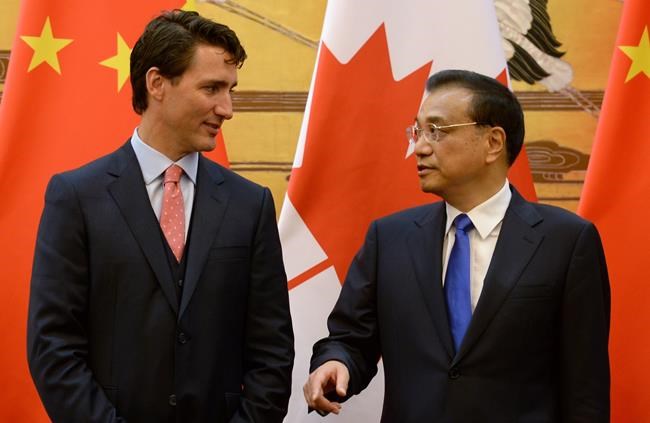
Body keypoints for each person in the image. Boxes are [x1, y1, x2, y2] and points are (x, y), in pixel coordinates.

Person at [27, 10, 294, 423]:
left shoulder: (250, 205)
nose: (227, 109)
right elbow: (53, 346)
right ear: (157, 84)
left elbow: (272, 353)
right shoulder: (76, 198)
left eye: (231, 91)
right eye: (212, 88)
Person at [304, 69, 610, 422]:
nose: (419, 147)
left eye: (436, 130)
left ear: (493, 142)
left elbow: (585, 390)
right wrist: (335, 362)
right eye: (417, 131)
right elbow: (350, 338)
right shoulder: (390, 239)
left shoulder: (566, 242)